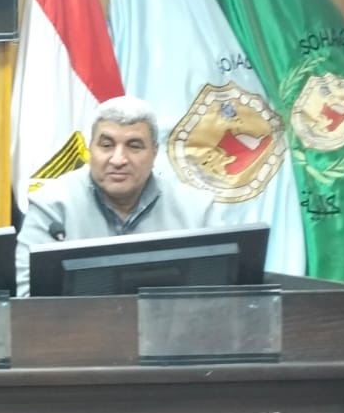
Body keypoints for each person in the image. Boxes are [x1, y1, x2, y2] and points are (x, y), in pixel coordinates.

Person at [15, 96, 217, 296]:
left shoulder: (196, 211)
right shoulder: (52, 206)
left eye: (134, 146)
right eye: (106, 145)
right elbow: (27, 299)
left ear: (154, 153)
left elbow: (219, 298)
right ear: (90, 148)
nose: (118, 160)